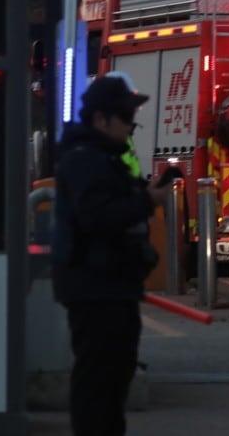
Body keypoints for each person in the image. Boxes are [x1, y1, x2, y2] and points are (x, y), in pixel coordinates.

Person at [53, 73, 170, 436]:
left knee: (114, 378)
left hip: (113, 286)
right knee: (98, 383)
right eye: (125, 117)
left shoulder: (104, 157)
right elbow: (97, 216)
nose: (131, 126)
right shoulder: (84, 160)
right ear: (101, 118)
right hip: (96, 287)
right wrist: (145, 200)